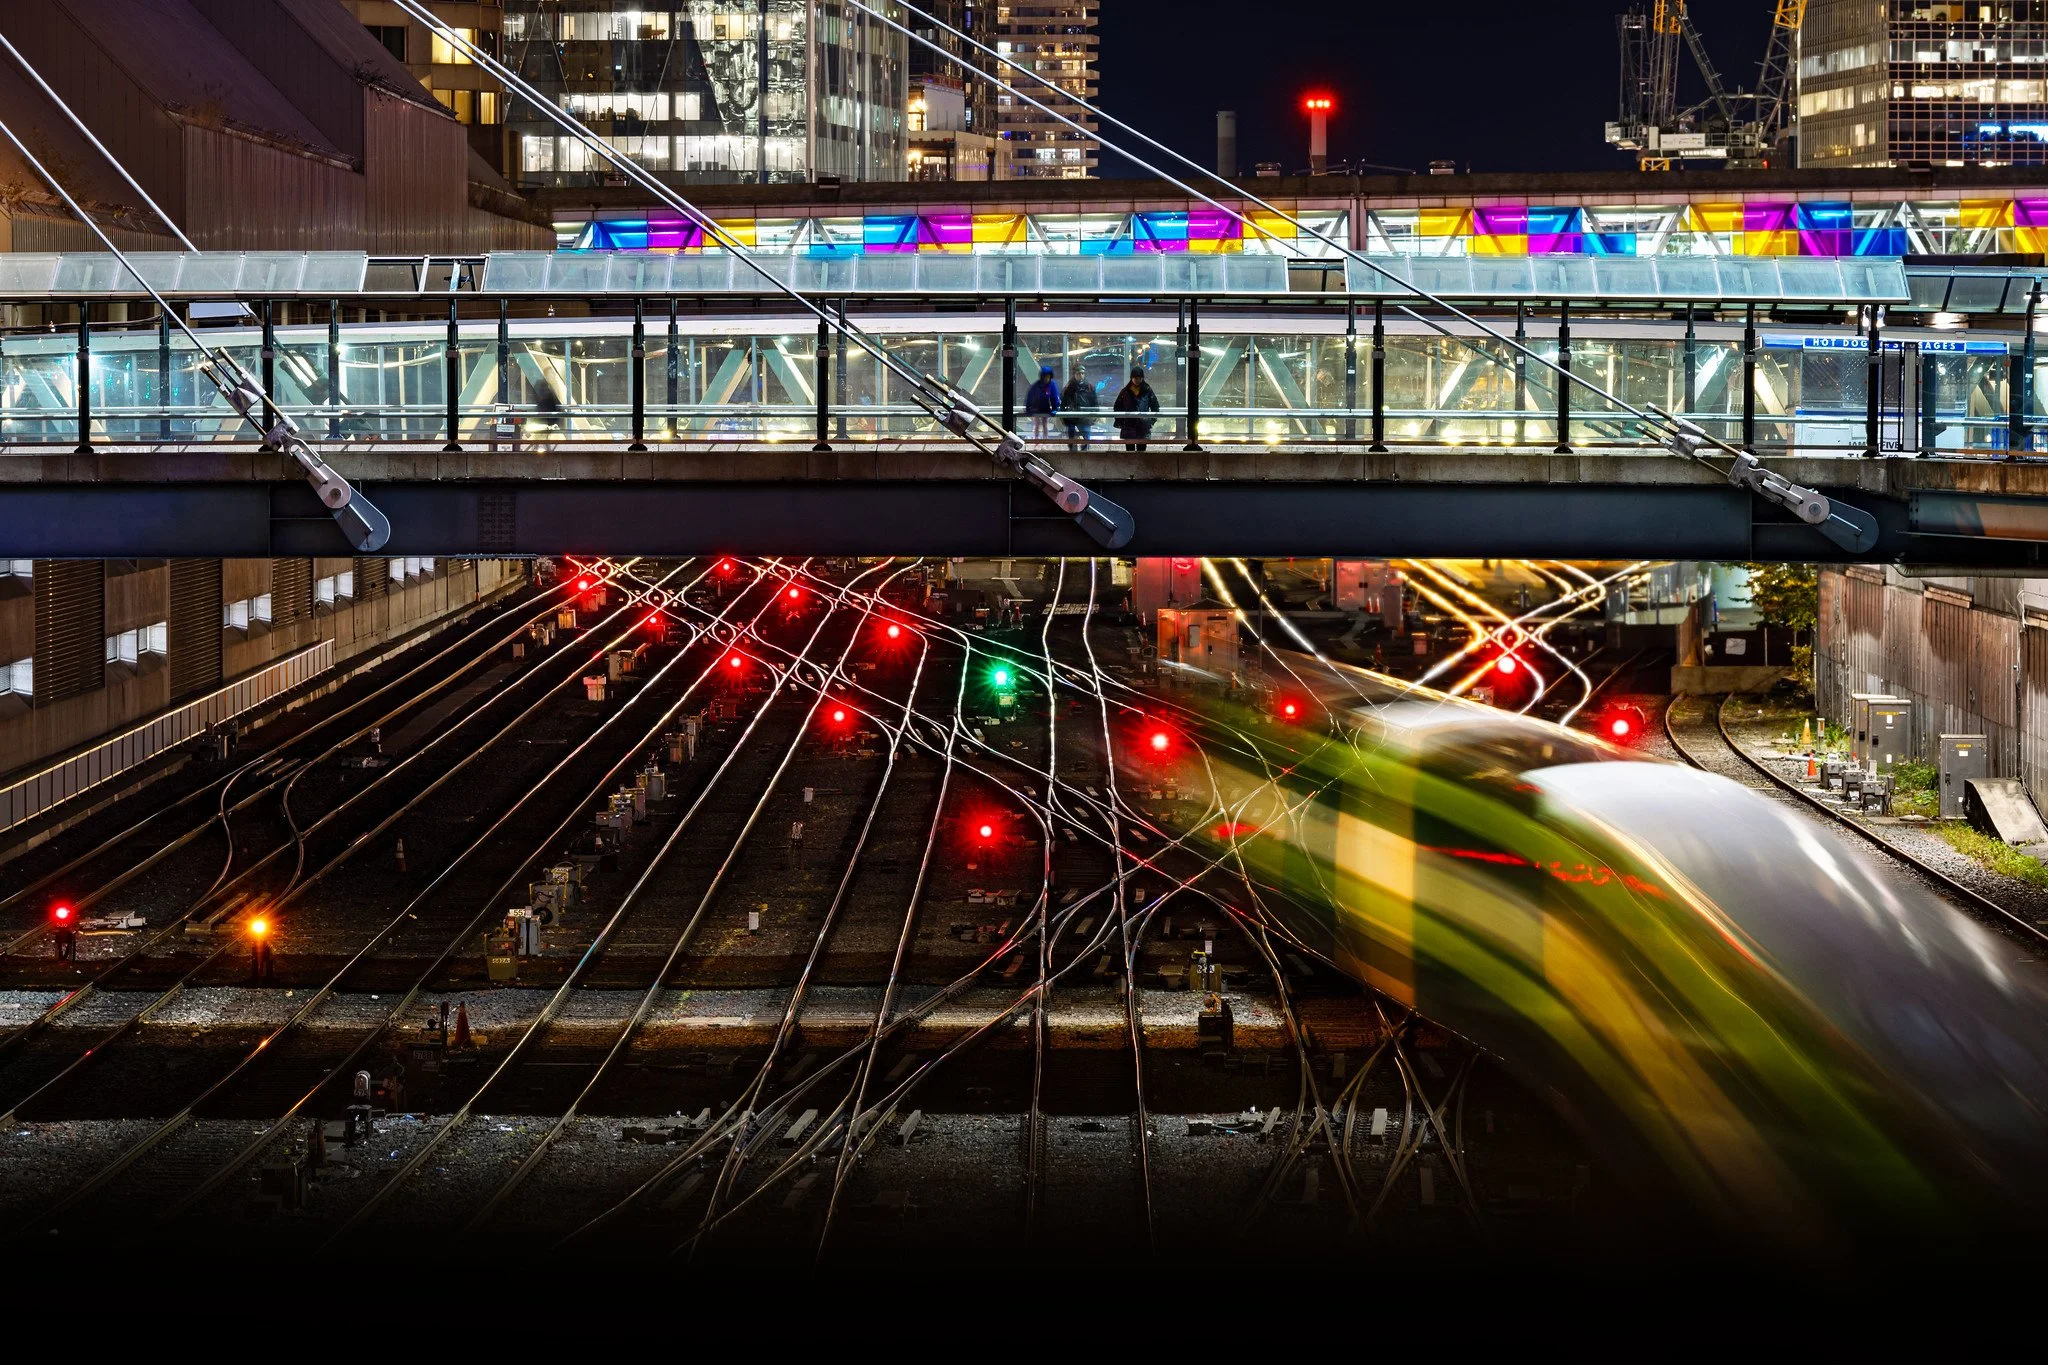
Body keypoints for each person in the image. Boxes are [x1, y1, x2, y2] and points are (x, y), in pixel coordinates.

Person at [1113, 365, 1161, 452]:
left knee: (1141, 453)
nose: (1138, 380)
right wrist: (1121, 421)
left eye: (1139, 378)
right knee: (1130, 453)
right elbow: (1117, 406)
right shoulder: (1125, 391)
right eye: (1136, 378)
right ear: (1131, 378)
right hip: (1129, 426)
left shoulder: (1147, 390)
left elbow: (1155, 406)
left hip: (1142, 427)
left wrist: (1151, 421)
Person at [1061, 370, 1098, 451]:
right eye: (1078, 373)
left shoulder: (1089, 387)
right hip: (1073, 418)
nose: (1081, 375)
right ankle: (1075, 454)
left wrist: (1095, 414)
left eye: (1082, 373)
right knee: (1073, 439)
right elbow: (1063, 403)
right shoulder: (1069, 388)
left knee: (1085, 439)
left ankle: (1084, 453)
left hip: (1084, 418)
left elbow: (1095, 403)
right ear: (1074, 375)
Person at [1024, 366, 1060, 440]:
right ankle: (1036, 440)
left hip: (1045, 408)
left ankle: (1045, 440)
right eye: (1045, 377)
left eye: (1048, 377)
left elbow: (1054, 397)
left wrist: (1054, 408)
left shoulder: (1052, 385)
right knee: (1037, 424)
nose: (1047, 378)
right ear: (1042, 377)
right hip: (1036, 408)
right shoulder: (1036, 385)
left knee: (1044, 424)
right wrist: (1028, 409)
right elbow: (1030, 397)